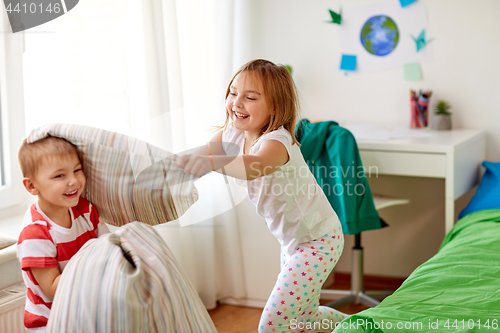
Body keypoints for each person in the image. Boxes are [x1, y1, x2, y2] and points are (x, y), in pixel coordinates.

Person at [176, 59, 347, 332]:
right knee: (305, 319)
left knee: (272, 326)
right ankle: (359, 326)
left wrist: (212, 162)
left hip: (318, 241)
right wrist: (171, 167)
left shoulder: (278, 143)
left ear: (276, 107)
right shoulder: (232, 134)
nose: (237, 102)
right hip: (291, 241)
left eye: (250, 97)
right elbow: (203, 154)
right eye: (233, 92)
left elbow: (252, 168)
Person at [16, 136, 110, 332]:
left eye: (77, 170)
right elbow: (54, 289)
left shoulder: (85, 210)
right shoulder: (35, 234)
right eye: (60, 176)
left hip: (84, 314)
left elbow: (110, 247)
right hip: (52, 323)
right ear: (32, 186)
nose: (74, 181)